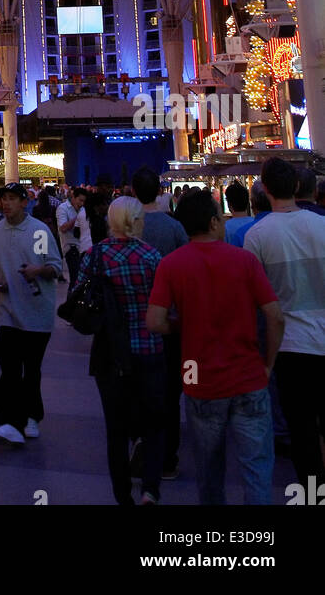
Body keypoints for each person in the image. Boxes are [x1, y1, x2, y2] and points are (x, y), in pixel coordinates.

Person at [146, 188, 283, 505]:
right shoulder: (244, 260)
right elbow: (275, 316)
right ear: (211, 222)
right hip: (248, 373)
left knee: (209, 471)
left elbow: (154, 322)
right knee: (257, 469)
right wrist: (268, 364)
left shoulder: (171, 265)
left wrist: (181, 326)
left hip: (196, 375)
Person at [77, 197, 165, 505]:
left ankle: (122, 495)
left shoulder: (94, 256)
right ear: (139, 220)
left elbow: (80, 297)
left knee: (115, 429)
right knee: (154, 422)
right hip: (150, 348)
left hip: (110, 353)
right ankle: (151, 487)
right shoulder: (152, 256)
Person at [244, 155, 325, 486]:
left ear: (264, 189)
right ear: (296, 186)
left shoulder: (257, 236)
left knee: (302, 429)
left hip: (290, 347)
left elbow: (255, 303)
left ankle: (312, 493)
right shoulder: (321, 226)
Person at [0, 182, 63, 447]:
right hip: (6, 309)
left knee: (30, 370)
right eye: (3, 199)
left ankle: (32, 416)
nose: (6, 204)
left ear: (23, 202)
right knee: (8, 368)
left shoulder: (39, 232)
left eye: (11, 199)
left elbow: (54, 267)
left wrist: (37, 271)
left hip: (36, 312)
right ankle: (9, 422)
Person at [131, 165, 188, 480]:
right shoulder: (174, 227)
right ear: (161, 191)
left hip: (136, 322)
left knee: (140, 388)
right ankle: (167, 457)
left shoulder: (130, 228)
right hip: (169, 321)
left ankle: (142, 444)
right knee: (170, 391)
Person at [56, 187, 91, 294]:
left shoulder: (83, 209)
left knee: (82, 280)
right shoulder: (63, 208)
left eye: (84, 201)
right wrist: (78, 218)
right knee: (75, 280)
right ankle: (69, 307)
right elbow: (63, 228)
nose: (82, 203)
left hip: (83, 248)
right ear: (73, 197)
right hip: (71, 248)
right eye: (80, 200)